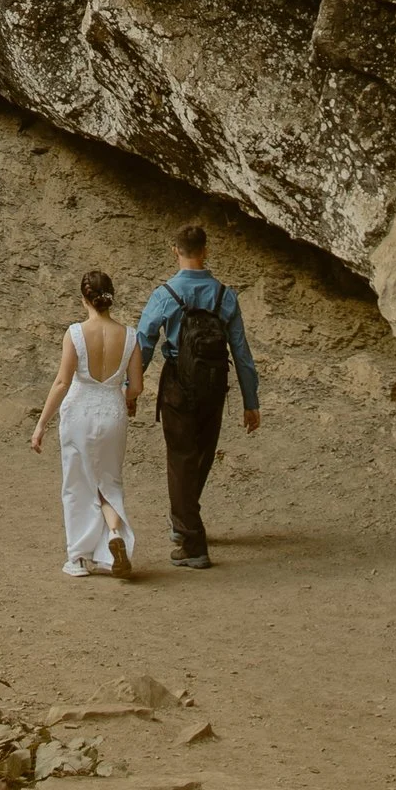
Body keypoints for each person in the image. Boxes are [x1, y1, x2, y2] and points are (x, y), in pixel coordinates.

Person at [134, 221, 260, 570]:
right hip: (214, 385)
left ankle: (192, 543)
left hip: (177, 383)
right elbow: (242, 352)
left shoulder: (164, 295)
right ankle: (185, 522)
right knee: (201, 455)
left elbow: (144, 342)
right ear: (206, 250)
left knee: (180, 459)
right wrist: (251, 402)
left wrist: (133, 387)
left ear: (175, 250)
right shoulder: (225, 296)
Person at [29, 263, 142, 579]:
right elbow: (137, 386)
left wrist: (41, 425)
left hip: (79, 413)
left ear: (85, 299)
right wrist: (127, 400)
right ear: (110, 299)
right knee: (108, 482)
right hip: (112, 413)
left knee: (78, 484)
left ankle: (78, 558)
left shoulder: (76, 333)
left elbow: (62, 383)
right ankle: (114, 536)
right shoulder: (130, 336)